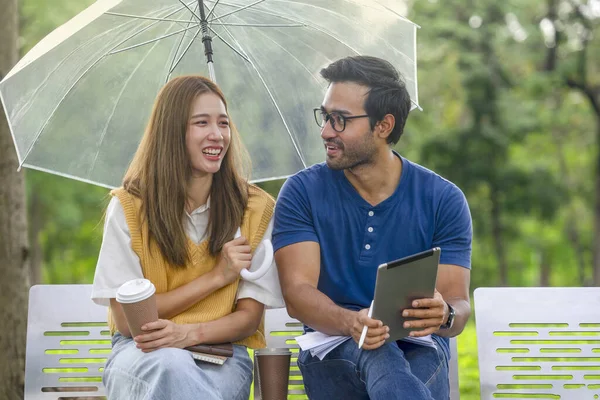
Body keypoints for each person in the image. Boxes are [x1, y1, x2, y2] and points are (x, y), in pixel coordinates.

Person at [272, 56, 472, 400]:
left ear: (383, 126)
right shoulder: (302, 193)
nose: (325, 131)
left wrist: (446, 313)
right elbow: (297, 295)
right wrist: (352, 322)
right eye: (325, 116)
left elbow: (457, 306)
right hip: (332, 347)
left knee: (399, 363)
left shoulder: (443, 199)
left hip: (419, 349)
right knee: (377, 351)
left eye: (340, 120)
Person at [91, 75, 284, 400]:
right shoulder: (129, 207)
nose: (217, 135)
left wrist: (188, 333)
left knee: (177, 372)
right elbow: (127, 321)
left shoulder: (255, 209)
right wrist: (216, 277)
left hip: (222, 356)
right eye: (202, 123)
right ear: (172, 132)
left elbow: (249, 319)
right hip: (142, 352)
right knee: (170, 367)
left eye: (223, 123)